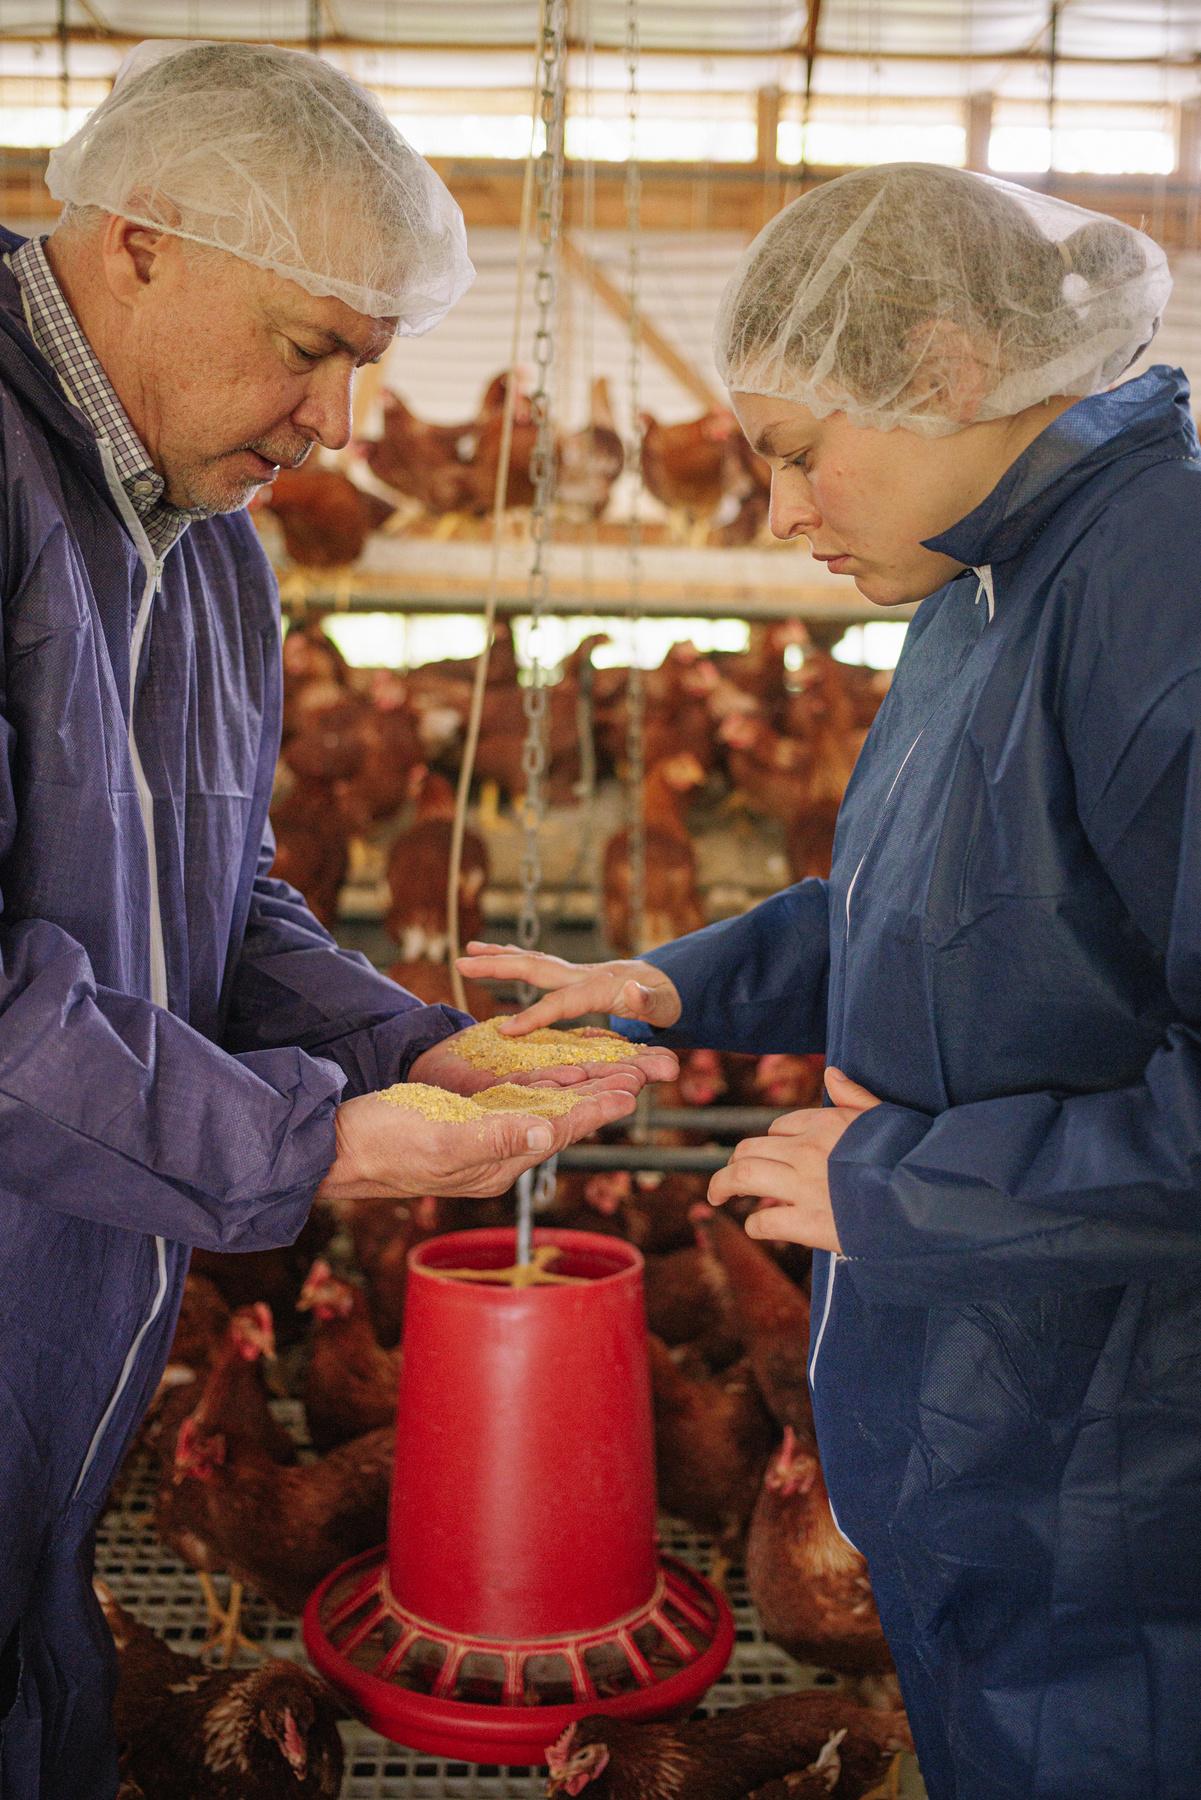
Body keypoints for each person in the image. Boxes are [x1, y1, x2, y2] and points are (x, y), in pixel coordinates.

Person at [462, 163, 1201, 1798]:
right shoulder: (982, 581)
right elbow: (925, 903)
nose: (780, 511)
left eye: (797, 452)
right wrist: (668, 982)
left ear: (946, 367)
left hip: (1129, 1478)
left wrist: (905, 1185)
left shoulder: (1162, 603)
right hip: (995, 1431)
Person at [0, 40, 674, 1800]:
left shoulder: (214, 540)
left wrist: (408, 1048)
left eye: (363, 366)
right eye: (311, 349)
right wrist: (308, 1144)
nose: (339, 424)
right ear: (140, 240)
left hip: (62, 1329)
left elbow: (221, 896)